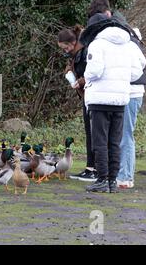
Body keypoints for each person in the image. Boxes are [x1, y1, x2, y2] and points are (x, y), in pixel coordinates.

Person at [83, 0, 146, 189]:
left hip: (100, 98)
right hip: (120, 98)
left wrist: (87, 77)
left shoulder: (97, 44)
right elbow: (138, 69)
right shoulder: (127, 42)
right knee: (115, 141)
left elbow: (94, 71)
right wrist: (121, 78)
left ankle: (102, 180)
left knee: (100, 142)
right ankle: (112, 179)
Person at [57, 26, 98, 182]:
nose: (65, 50)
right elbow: (75, 66)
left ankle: (95, 169)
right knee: (89, 132)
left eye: (65, 47)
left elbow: (92, 72)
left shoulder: (86, 51)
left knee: (94, 133)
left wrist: (80, 81)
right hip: (86, 96)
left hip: (93, 95)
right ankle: (90, 167)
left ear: (73, 42)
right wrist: (69, 71)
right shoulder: (75, 53)